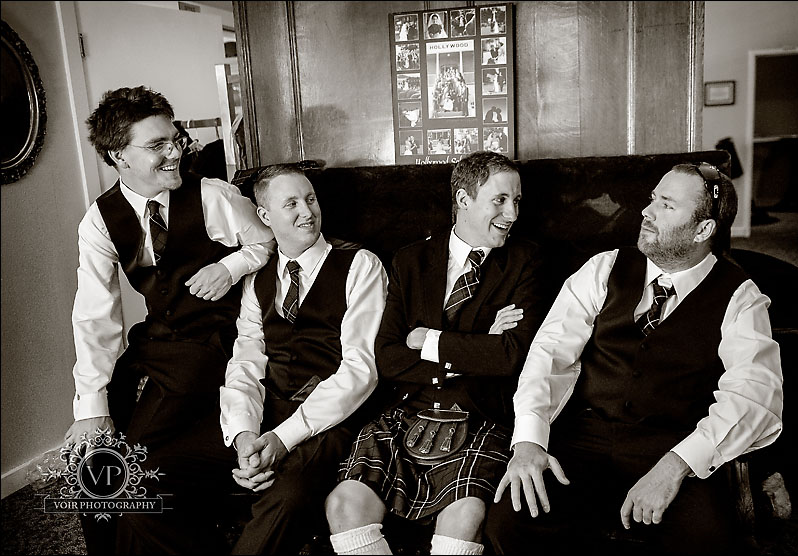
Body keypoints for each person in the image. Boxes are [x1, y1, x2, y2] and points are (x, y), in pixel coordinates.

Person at [485, 163, 784, 555]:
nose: (647, 211)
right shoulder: (604, 267)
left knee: (709, 541)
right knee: (509, 521)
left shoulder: (740, 297)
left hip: (673, 445)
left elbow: (754, 396)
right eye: (652, 199)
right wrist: (528, 442)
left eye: (666, 205)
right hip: (584, 438)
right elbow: (549, 355)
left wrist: (675, 465)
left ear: (703, 230)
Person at [66, 85, 275, 554]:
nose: (175, 152)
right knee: (91, 454)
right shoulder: (99, 220)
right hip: (154, 343)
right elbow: (95, 314)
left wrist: (230, 266)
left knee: (126, 465)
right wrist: (91, 405)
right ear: (118, 155)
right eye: (157, 145)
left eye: (174, 139)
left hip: (213, 346)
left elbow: (269, 243)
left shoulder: (214, 196)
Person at [324, 151, 548, 555]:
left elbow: (510, 356)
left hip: (480, 415)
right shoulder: (410, 260)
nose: (512, 213)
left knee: (464, 516)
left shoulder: (525, 260)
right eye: (499, 200)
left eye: (516, 201)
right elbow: (388, 357)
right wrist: (475, 346)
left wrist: (428, 339)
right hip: (406, 411)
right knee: (343, 504)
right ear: (463, 199)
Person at [220, 164, 389, 554]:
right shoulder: (258, 279)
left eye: (310, 199)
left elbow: (360, 370)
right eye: (291, 203)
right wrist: (244, 434)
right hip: (270, 409)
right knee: (163, 471)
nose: (307, 212)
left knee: (288, 496)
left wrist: (283, 438)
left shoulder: (360, 264)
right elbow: (245, 362)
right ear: (265, 216)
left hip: (334, 419)